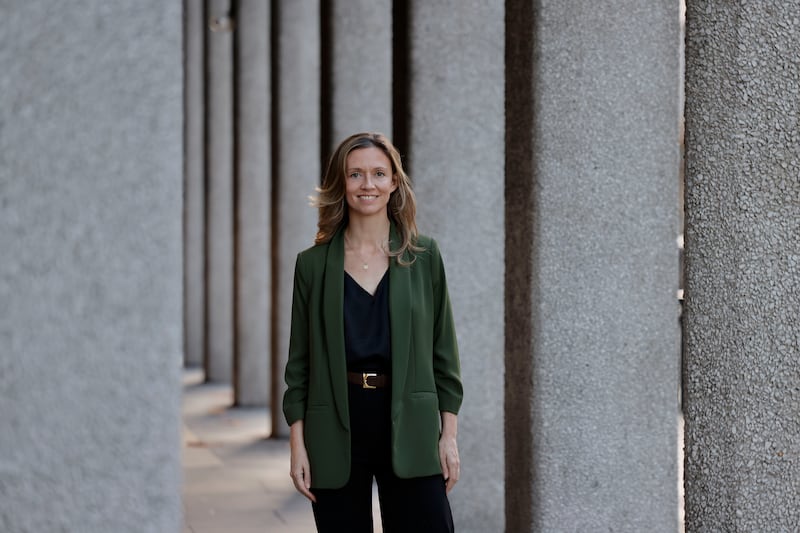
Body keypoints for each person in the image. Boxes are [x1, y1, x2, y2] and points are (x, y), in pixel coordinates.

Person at [283, 132, 463, 532]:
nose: (368, 184)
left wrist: (448, 435)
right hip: (333, 426)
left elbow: (444, 354)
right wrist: (298, 445)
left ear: (394, 182)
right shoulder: (311, 266)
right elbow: (300, 365)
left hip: (411, 424)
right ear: (341, 184)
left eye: (379, 173)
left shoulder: (424, 256)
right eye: (356, 174)